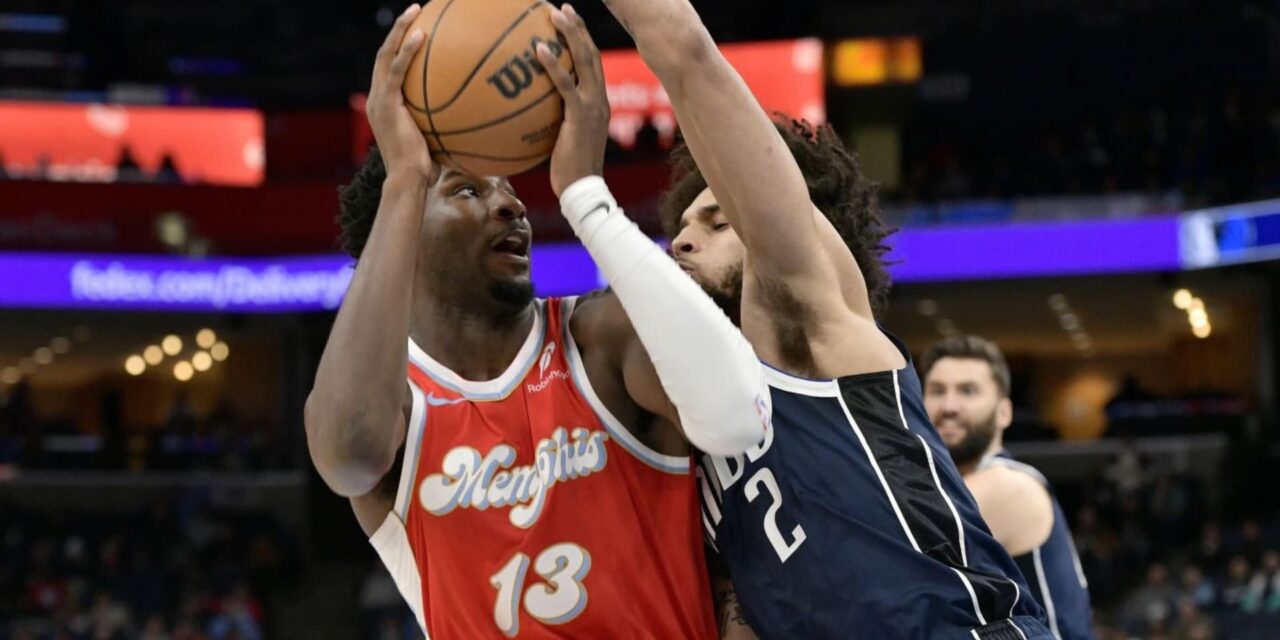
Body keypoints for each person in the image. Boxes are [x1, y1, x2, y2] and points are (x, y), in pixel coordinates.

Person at [586, 0, 1054, 637]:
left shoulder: (810, 331)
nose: (683, 242)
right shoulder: (702, 426)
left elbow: (688, 54)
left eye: (719, 222)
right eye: (682, 228)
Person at [305, 5, 770, 638]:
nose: (509, 204)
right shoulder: (397, 408)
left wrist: (585, 194)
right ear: (404, 228)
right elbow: (347, 459)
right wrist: (404, 179)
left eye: (509, 187)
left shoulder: (600, 337)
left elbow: (741, 410)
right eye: (468, 190)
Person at [920, 335, 1095, 640]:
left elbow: (889, 544)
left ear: (1004, 412)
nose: (948, 406)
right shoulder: (953, 483)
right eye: (936, 391)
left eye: (968, 391)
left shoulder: (1010, 484)